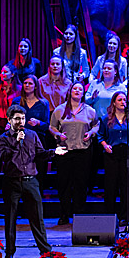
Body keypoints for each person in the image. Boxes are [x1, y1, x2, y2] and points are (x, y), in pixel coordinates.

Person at [0, 104, 66, 258]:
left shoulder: (32, 135)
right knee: (10, 219)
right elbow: (4, 157)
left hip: (31, 180)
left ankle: (46, 252)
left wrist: (53, 152)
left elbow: (40, 154)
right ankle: (9, 253)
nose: (21, 121)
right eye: (17, 119)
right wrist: (15, 141)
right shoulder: (3, 138)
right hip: (12, 182)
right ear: (9, 120)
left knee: (37, 218)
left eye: (23, 118)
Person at [49, 81, 100, 225]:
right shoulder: (60, 110)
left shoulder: (90, 110)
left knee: (81, 183)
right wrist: (58, 134)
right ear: (70, 91)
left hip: (82, 151)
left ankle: (79, 213)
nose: (77, 91)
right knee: (64, 183)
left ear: (83, 93)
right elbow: (52, 126)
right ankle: (64, 213)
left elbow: (96, 125)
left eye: (80, 89)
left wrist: (91, 133)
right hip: (65, 151)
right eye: (75, 89)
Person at [96, 91, 129, 225]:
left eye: (125, 100)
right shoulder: (106, 119)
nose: (123, 102)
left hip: (128, 153)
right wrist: (105, 145)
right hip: (112, 153)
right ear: (114, 102)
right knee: (111, 184)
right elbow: (100, 135)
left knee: (126, 184)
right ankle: (110, 215)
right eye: (120, 100)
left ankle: (125, 216)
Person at [13, 75, 52, 179]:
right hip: (21, 140)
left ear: (35, 86)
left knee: (39, 170)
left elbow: (47, 125)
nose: (27, 85)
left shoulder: (43, 103)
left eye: (30, 83)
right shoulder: (17, 102)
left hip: (37, 140)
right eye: (25, 83)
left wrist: (38, 123)